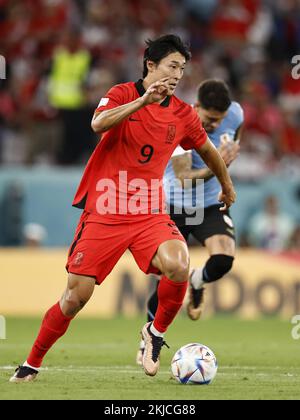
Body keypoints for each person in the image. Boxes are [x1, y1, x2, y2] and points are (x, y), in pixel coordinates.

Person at [10, 35, 235, 383]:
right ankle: (31, 363)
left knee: (178, 263)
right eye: (172, 66)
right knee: (75, 298)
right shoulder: (121, 94)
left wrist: (226, 184)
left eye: (182, 69)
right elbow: (98, 124)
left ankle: (154, 334)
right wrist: (144, 101)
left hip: (149, 212)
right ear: (151, 65)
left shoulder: (183, 114)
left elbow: (207, 150)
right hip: (106, 210)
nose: (178, 74)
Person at [137, 79, 243, 364]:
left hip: (209, 205)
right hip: (174, 205)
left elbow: (235, 136)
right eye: (209, 120)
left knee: (223, 260)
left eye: (218, 120)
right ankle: (147, 340)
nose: (213, 126)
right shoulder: (177, 123)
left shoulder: (236, 114)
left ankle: (197, 281)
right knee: (169, 280)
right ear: (196, 107)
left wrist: (226, 170)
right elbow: (184, 179)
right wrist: (218, 164)